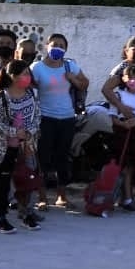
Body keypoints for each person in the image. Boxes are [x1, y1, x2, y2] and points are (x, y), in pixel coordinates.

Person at [31, 33, 90, 209]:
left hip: (67, 118)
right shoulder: (37, 67)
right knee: (43, 158)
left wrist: (73, 79)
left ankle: (61, 196)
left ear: (66, 49)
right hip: (44, 118)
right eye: (54, 44)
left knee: (62, 158)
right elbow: (29, 88)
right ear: (46, 46)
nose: (57, 48)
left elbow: (85, 83)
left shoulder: (70, 65)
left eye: (61, 45)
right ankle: (42, 197)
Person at [0, 59, 43, 234]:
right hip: (5, 147)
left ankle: (26, 213)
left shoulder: (31, 95)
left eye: (28, 73)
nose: (27, 77)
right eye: (24, 73)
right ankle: (0, 216)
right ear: (12, 76)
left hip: (27, 145)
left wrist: (28, 132)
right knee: (3, 182)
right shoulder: (1, 97)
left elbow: (37, 117)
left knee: (27, 179)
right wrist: (14, 132)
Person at [109, 62, 135, 211]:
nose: (133, 81)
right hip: (123, 132)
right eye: (130, 77)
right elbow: (113, 117)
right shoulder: (118, 95)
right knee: (127, 169)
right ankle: (127, 199)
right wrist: (124, 125)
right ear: (124, 78)